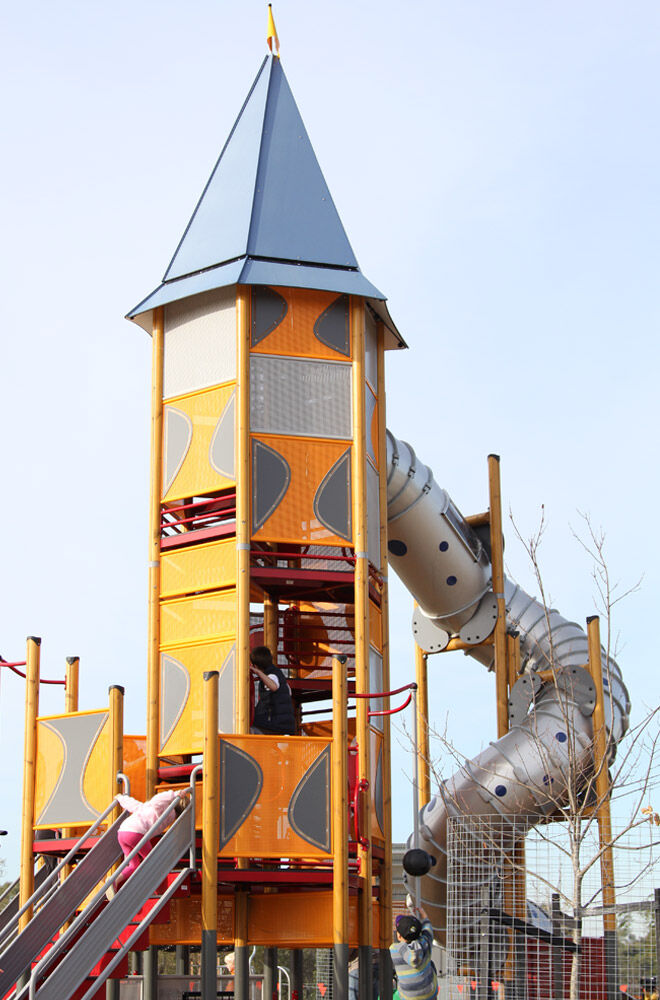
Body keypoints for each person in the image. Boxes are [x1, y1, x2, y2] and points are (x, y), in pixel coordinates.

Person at [109, 788, 188, 895]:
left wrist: (121, 798)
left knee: (133, 865)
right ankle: (154, 888)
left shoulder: (145, 807)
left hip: (122, 832)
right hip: (137, 833)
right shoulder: (167, 811)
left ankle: (115, 880)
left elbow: (133, 805)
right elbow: (156, 800)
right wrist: (174, 794)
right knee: (151, 861)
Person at [390, 904, 437, 1000]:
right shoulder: (425, 942)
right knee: (431, 964)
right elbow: (428, 930)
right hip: (429, 994)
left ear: (399, 936)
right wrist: (424, 916)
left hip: (407, 997)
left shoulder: (394, 950)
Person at [249, 645, 296, 735]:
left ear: (256, 665)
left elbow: (274, 686)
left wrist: (258, 673)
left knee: (249, 721)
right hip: (285, 723)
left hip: (275, 723)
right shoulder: (278, 674)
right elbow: (288, 691)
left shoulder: (272, 675)